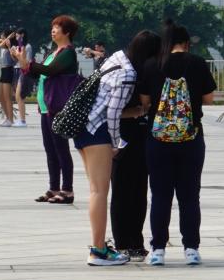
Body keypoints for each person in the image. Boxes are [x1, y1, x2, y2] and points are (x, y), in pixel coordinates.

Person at [138, 21, 216, 266]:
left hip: (158, 140)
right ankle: (191, 248)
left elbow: (145, 101)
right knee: (190, 196)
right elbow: (209, 98)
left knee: (160, 195)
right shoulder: (198, 63)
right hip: (191, 138)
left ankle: (158, 250)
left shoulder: (152, 64)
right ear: (186, 43)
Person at [71, 32, 147, 267]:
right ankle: (98, 251)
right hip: (98, 132)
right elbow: (113, 113)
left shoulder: (116, 58)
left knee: (96, 190)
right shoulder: (128, 74)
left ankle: (100, 247)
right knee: (99, 192)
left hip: (84, 129)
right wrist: (116, 143)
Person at [15, 16, 80, 204]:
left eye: (57, 27)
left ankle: (67, 190)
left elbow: (50, 70)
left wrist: (28, 63)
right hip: (46, 107)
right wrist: (23, 62)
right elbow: (39, 73)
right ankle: (54, 187)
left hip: (58, 107)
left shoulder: (68, 53)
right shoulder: (53, 52)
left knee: (61, 149)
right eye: (53, 27)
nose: (53, 30)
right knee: (50, 150)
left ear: (67, 32)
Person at [109, 31, 162, 261]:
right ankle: (124, 243)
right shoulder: (127, 73)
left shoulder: (138, 70)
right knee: (124, 192)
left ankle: (134, 242)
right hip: (123, 138)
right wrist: (138, 111)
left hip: (138, 138)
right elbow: (112, 110)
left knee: (137, 191)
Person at [0, 31, 18, 126]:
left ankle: (10, 120)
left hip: (8, 70)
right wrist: (7, 38)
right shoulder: (5, 45)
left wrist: (8, 42)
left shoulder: (11, 46)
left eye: (3, 36)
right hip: (3, 71)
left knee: (7, 97)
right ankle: (7, 118)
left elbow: (15, 60)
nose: (1, 38)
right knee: (0, 97)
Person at [13, 28, 33, 127]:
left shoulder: (27, 46)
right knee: (18, 96)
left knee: (20, 96)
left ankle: (23, 121)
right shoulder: (19, 46)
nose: (16, 38)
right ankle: (21, 119)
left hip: (25, 72)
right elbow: (16, 60)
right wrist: (13, 53)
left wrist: (18, 55)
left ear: (22, 35)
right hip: (19, 70)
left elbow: (26, 62)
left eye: (18, 35)